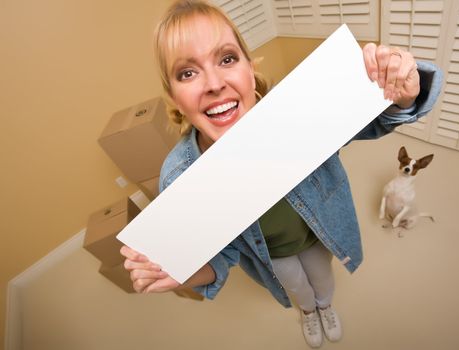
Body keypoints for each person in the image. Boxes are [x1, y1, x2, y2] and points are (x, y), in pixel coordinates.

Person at [120, 0, 442, 348]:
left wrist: (400, 92)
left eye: (227, 58)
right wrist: (182, 272)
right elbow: (220, 258)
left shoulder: (297, 111)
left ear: (248, 66)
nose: (214, 83)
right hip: (272, 256)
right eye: (187, 72)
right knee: (298, 288)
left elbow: (379, 117)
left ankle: (325, 306)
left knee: (322, 280)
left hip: (320, 233)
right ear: (173, 96)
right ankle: (308, 312)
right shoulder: (180, 178)